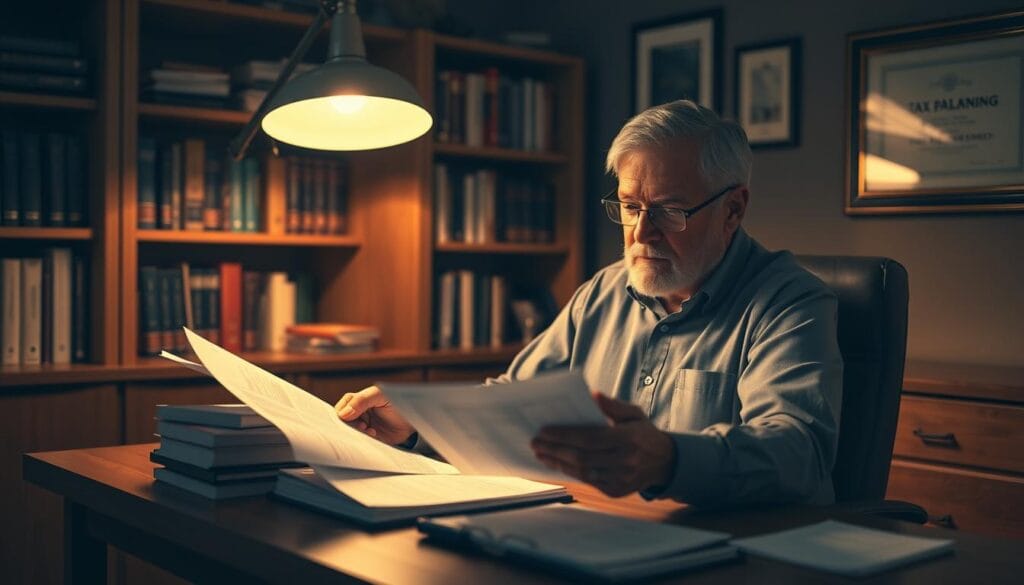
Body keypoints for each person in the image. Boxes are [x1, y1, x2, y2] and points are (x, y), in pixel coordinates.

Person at [336, 100, 843, 507]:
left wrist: (668, 458)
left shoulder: (788, 301)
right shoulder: (603, 291)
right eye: (629, 207)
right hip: (593, 529)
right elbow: (511, 405)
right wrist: (415, 426)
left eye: (668, 211)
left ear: (733, 209)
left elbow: (797, 452)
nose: (641, 233)